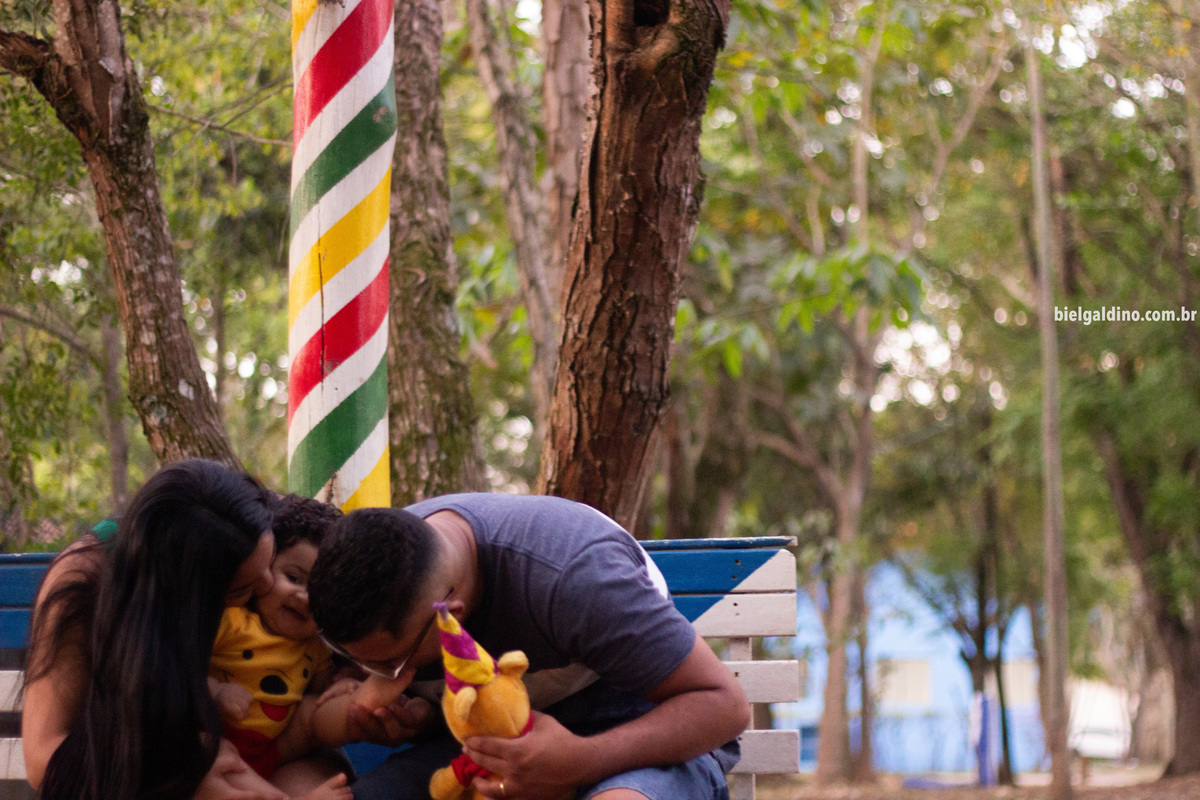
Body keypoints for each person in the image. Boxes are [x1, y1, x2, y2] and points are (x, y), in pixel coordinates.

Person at [308, 493, 750, 800]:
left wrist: (580, 761)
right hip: (483, 753)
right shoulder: (372, 568)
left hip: (636, 735)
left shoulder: (576, 577)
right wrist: (421, 718)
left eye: (389, 664)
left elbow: (724, 704)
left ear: (451, 616)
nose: (376, 680)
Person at [21, 459, 345, 800]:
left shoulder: (243, 512)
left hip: (270, 748)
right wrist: (184, 778)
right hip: (146, 767)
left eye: (272, 558)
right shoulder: (84, 579)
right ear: (190, 601)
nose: (267, 586)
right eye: (243, 590)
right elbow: (43, 758)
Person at [208, 494, 351, 800]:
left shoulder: (316, 647)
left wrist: (345, 688)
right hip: (217, 744)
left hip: (271, 750)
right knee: (215, 754)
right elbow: (183, 674)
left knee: (316, 711)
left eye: (321, 592)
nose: (305, 597)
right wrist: (217, 691)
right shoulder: (233, 622)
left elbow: (320, 694)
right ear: (263, 571)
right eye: (293, 578)